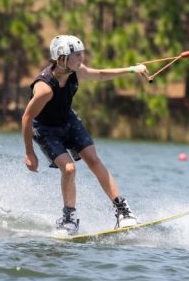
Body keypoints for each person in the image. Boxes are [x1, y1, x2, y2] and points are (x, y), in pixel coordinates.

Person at [22, 34, 149, 235]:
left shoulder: (76, 72)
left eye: (82, 54)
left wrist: (132, 69)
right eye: (77, 55)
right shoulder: (44, 88)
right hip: (45, 129)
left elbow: (99, 74)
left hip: (68, 120)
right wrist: (30, 153)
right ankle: (68, 218)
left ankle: (122, 211)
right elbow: (27, 118)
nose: (81, 59)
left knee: (93, 159)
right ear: (62, 58)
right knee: (70, 169)